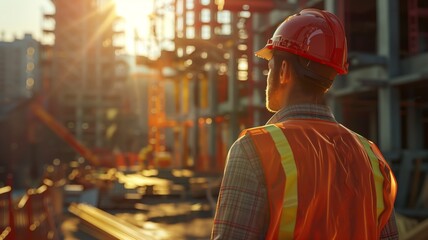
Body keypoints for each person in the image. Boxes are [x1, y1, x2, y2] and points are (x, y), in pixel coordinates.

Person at [211, 8, 398, 240]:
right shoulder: (371, 158)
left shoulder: (255, 149)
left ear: (284, 72)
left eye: (269, 68)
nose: (267, 77)